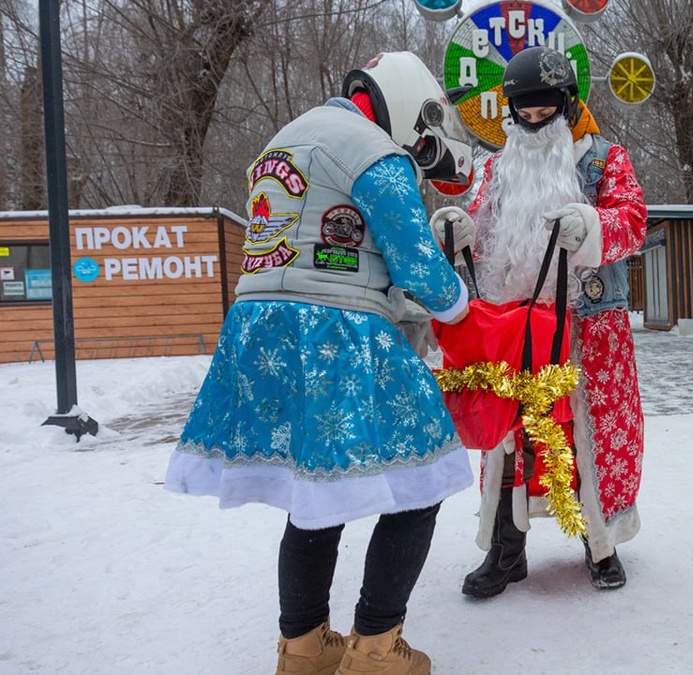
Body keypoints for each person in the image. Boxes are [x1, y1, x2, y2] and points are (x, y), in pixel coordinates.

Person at [165, 51, 476, 675]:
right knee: (425, 476)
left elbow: (315, 243)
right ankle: (377, 648)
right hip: (337, 330)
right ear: (411, 105)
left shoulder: (283, 141)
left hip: (258, 329)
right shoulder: (376, 153)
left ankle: (303, 647)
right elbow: (418, 268)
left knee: (313, 489)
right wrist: (461, 301)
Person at [432, 46, 648, 597]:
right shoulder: (495, 167)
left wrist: (591, 226)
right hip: (514, 326)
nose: (533, 121)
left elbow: (632, 220)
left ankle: (600, 544)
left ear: (567, 104)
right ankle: (507, 550)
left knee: (588, 436)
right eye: (523, 112)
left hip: (588, 327)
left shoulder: (605, 158)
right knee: (511, 433)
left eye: (544, 110)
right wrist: (460, 230)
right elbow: (480, 227)